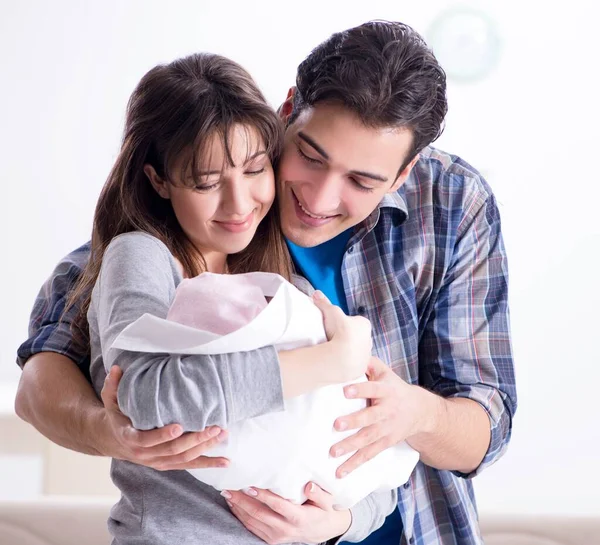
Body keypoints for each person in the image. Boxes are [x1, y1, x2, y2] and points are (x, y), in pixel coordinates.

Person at [16, 20, 517, 545]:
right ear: (286, 112)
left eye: (361, 182)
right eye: (310, 157)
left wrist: (413, 415)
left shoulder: (451, 204)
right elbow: (47, 376)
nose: (320, 199)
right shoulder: (216, 217)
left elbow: (486, 427)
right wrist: (112, 431)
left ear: (404, 172)